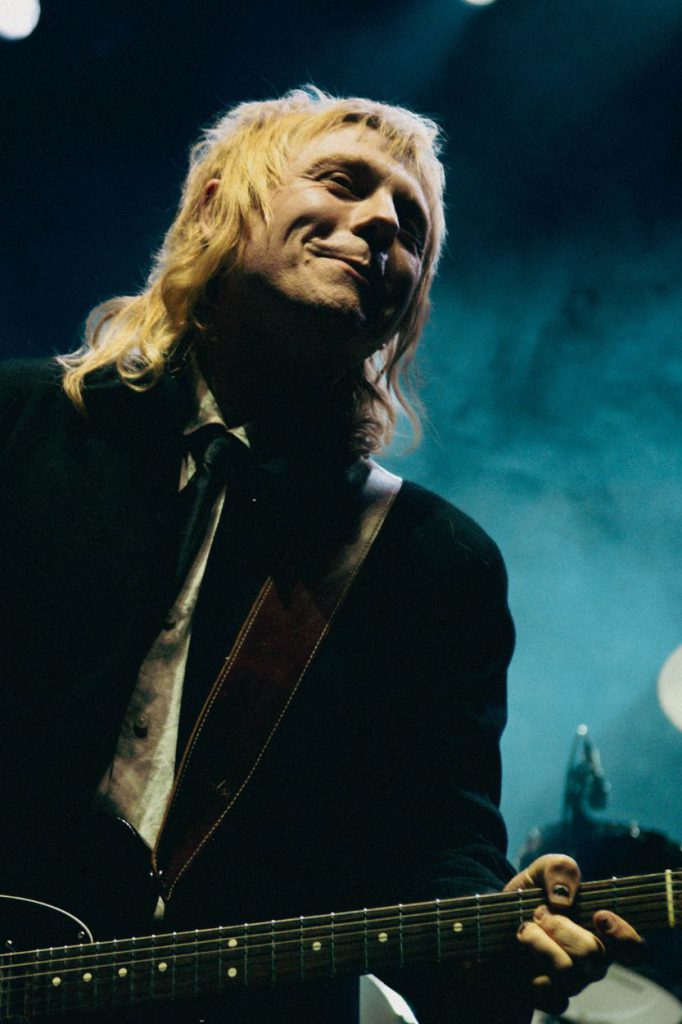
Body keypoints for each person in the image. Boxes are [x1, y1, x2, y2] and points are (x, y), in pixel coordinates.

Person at [0, 88, 640, 1023]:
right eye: (343, 182)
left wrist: (499, 947)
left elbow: (439, 850)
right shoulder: (17, 429)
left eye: (411, 228)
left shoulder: (432, 563)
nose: (382, 222)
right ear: (216, 207)